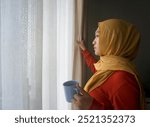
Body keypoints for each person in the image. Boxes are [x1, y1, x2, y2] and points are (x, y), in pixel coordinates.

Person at [72, 19, 145, 110]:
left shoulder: (123, 79)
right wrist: (84, 50)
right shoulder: (110, 67)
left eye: (97, 36)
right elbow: (96, 68)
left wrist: (91, 106)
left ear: (113, 40)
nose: (93, 42)